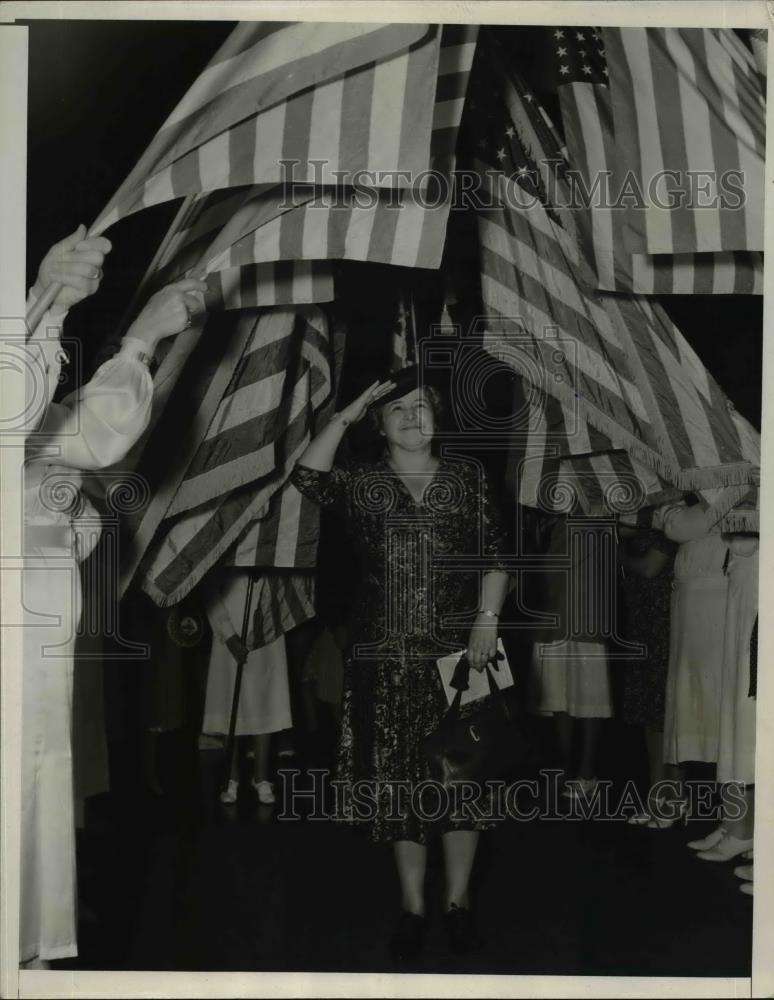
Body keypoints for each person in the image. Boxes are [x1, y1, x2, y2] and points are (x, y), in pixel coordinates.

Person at [21, 225, 206, 967]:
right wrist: (47, 302)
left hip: (37, 660)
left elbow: (88, 435)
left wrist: (140, 343)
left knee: (31, 823)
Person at [289, 367, 509, 961]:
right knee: (401, 786)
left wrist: (486, 619)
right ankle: (413, 907)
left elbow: (495, 555)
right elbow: (307, 476)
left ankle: (458, 904)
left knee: (464, 783)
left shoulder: (467, 476)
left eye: (423, 407)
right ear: (379, 427)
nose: (414, 418)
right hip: (386, 652)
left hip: (468, 652)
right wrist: (347, 408)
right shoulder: (363, 482)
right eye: (398, 411)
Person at [527, 514, 613, 801]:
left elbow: (622, 529)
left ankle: (588, 775)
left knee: (591, 701)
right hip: (552, 612)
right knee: (557, 698)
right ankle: (562, 771)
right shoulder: (545, 512)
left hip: (588, 612)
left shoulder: (598, 502)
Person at [689, 533, 758, 865]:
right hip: (743, 596)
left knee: (746, 724)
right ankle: (736, 824)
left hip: (756, 598)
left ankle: (744, 831)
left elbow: (744, 543)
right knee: (735, 721)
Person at [201, 571, 293, 806]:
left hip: (267, 627)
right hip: (229, 634)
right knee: (232, 699)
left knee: (265, 698)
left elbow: (286, 589)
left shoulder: (272, 545)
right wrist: (228, 635)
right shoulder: (224, 547)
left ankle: (261, 777)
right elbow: (209, 592)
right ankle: (231, 778)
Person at [617, 527, 679, 826]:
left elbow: (650, 566)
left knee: (658, 713)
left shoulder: (669, 518)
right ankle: (669, 797)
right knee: (653, 713)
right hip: (645, 620)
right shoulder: (651, 518)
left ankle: (663, 797)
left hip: (660, 621)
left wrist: (617, 552)